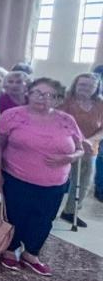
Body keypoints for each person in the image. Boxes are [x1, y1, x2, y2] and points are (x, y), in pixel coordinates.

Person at [0, 78, 87, 276]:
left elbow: (80, 149)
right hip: (18, 177)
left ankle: (32, 253)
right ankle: (10, 249)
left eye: (49, 95)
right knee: (17, 215)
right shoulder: (12, 115)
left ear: (58, 99)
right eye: (37, 92)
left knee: (44, 219)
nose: (41, 98)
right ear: (29, 93)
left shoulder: (66, 120)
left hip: (56, 182)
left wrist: (69, 157)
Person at [57, 73, 103, 227]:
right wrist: (79, 139)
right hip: (64, 147)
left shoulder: (100, 103)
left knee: (83, 183)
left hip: (89, 148)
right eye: (82, 84)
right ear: (75, 84)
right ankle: (47, 208)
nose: (86, 88)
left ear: (96, 88)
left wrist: (91, 140)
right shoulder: (66, 100)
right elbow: (59, 121)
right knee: (58, 180)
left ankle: (70, 211)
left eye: (91, 86)